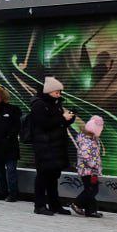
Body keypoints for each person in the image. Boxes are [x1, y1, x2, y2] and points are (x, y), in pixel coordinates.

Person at [29, 76, 76, 216]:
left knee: (53, 177)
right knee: (43, 176)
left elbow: (57, 124)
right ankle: (40, 205)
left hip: (55, 146)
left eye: (59, 92)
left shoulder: (55, 104)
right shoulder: (39, 105)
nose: (59, 94)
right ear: (49, 91)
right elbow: (44, 124)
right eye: (56, 91)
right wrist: (62, 118)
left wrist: (69, 118)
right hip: (44, 146)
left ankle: (55, 205)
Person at [73, 116, 105, 218]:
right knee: (92, 190)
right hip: (88, 170)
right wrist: (94, 165)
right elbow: (85, 155)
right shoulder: (87, 142)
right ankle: (77, 204)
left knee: (90, 189)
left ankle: (90, 211)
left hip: (90, 170)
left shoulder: (92, 139)